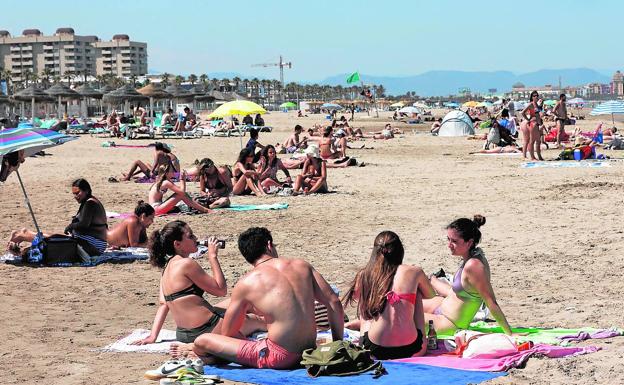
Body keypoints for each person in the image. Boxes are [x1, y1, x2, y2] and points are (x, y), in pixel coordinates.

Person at [191, 227, 344, 369]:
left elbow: (228, 332)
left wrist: (247, 346)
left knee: (201, 341)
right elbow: (334, 302)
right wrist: (338, 344)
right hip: (310, 349)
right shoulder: (302, 266)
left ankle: (222, 357)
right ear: (269, 245)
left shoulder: (247, 282)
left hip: (280, 357)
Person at [132, 221, 228, 346]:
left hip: (183, 334)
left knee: (237, 302)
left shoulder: (167, 266)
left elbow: (163, 305)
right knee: (255, 319)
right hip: (207, 329)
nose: (195, 238)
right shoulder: (187, 264)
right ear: (177, 244)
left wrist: (153, 336)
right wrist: (213, 256)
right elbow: (221, 290)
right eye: (190, 236)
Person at [343, 231, 430, 359]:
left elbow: (356, 297)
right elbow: (430, 295)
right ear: (400, 251)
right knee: (416, 293)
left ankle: (364, 334)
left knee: (365, 295)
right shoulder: (414, 271)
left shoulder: (365, 274)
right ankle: (416, 335)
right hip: (414, 348)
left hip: (373, 350)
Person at [423, 215, 512, 335]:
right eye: (448, 239)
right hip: (441, 306)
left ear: (469, 242)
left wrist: (509, 333)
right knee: (402, 303)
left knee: (400, 315)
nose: (449, 245)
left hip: (448, 322)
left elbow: (491, 301)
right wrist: (434, 280)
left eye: (454, 241)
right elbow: (455, 293)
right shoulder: (470, 258)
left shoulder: (474, 266)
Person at [8, 178, 108, 257]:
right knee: (55, 238)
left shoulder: (90, 203)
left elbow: (84, 225)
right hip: (89, 241)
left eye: (78, 193)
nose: (75, 196)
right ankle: (23, 237)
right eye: (74, 194)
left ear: (86, 190)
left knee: (55, 241)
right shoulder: (89, 201)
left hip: (93, 245)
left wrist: (71, 226)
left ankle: (23, 236)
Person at [520, 91, 544, 161]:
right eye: (534, 96)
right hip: (533, 123)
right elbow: (523, 112)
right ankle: (532, 157)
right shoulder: (531, 104)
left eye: (537, 95)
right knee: (531, 141)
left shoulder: (537, 105)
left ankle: (539, 156)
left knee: (538, 141)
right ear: (532, 97)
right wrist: (528, 119)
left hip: (538, 123)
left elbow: (539, 113)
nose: (536, 97)